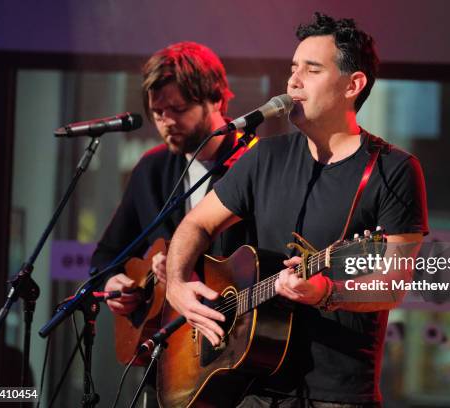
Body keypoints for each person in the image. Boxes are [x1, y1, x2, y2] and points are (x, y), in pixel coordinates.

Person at [165, 12, 429, 408]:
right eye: (293, 68)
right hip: (251, 385)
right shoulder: (264, 158)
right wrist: (176, 283)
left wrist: (327, 292)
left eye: (312, 69)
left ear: (352, 85)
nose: (293, 81)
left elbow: (392, 281)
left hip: (336, 395)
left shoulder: (393, 170)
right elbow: (196, 223)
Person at [90, 42, 254, 406]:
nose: (166, 122)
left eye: (178, 109)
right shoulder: (152, 168)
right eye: (157, 112)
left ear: (216, 100)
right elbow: (107, 254)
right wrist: (114, 280)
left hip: (232, 361)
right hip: (168, 359)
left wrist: (183, 265)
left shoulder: (255, 165)